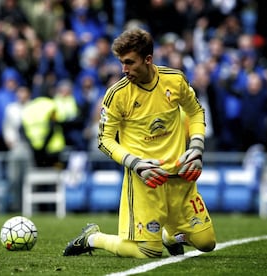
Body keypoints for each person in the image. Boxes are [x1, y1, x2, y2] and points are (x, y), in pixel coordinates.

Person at [63, 28, 216, 258]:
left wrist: (196, 148)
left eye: (129, 62)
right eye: (121, 63)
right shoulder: (117, 95)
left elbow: (195, 112)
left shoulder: (174, 80)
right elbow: (104, 140)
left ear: (148, 60)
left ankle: (169, 236)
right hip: (146, 181)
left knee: (207, 243)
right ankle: (93, 238)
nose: (124, 70)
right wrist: (135, 163)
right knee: (148, 252)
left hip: (181, 176)